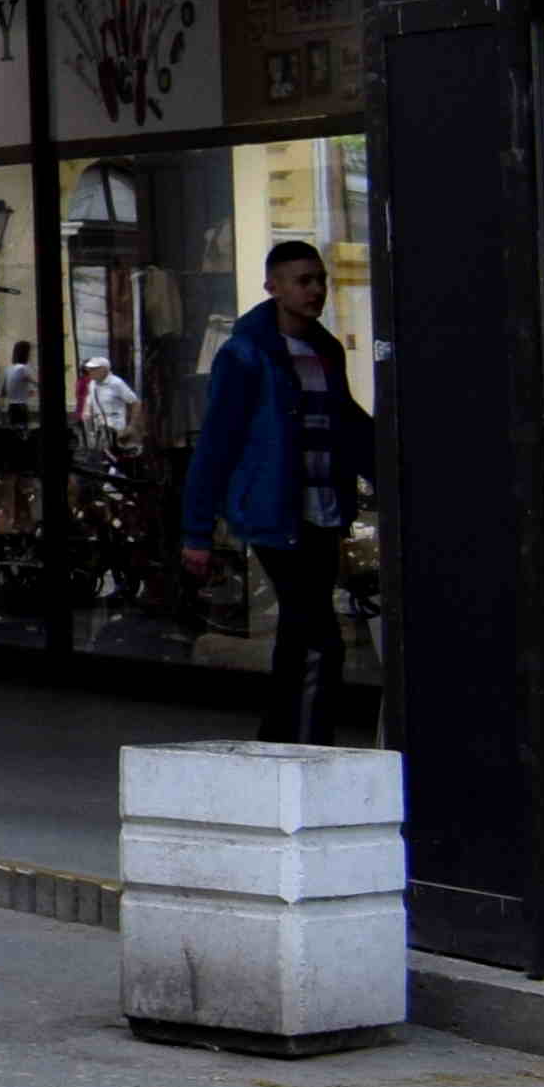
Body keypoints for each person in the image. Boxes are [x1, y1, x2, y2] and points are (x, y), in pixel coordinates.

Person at [181, 239, 373, 743]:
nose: (315, 291)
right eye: (302, 281)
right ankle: (312, 750)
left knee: (297, 631)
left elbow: (346, 424)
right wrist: (196, 531)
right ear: (273, 287)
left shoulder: (326, 350)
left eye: (319, 280)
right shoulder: (245, 355)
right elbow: (217, 443)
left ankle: (276, 742)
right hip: (275, 515)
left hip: (325, 511)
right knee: (320, 638)